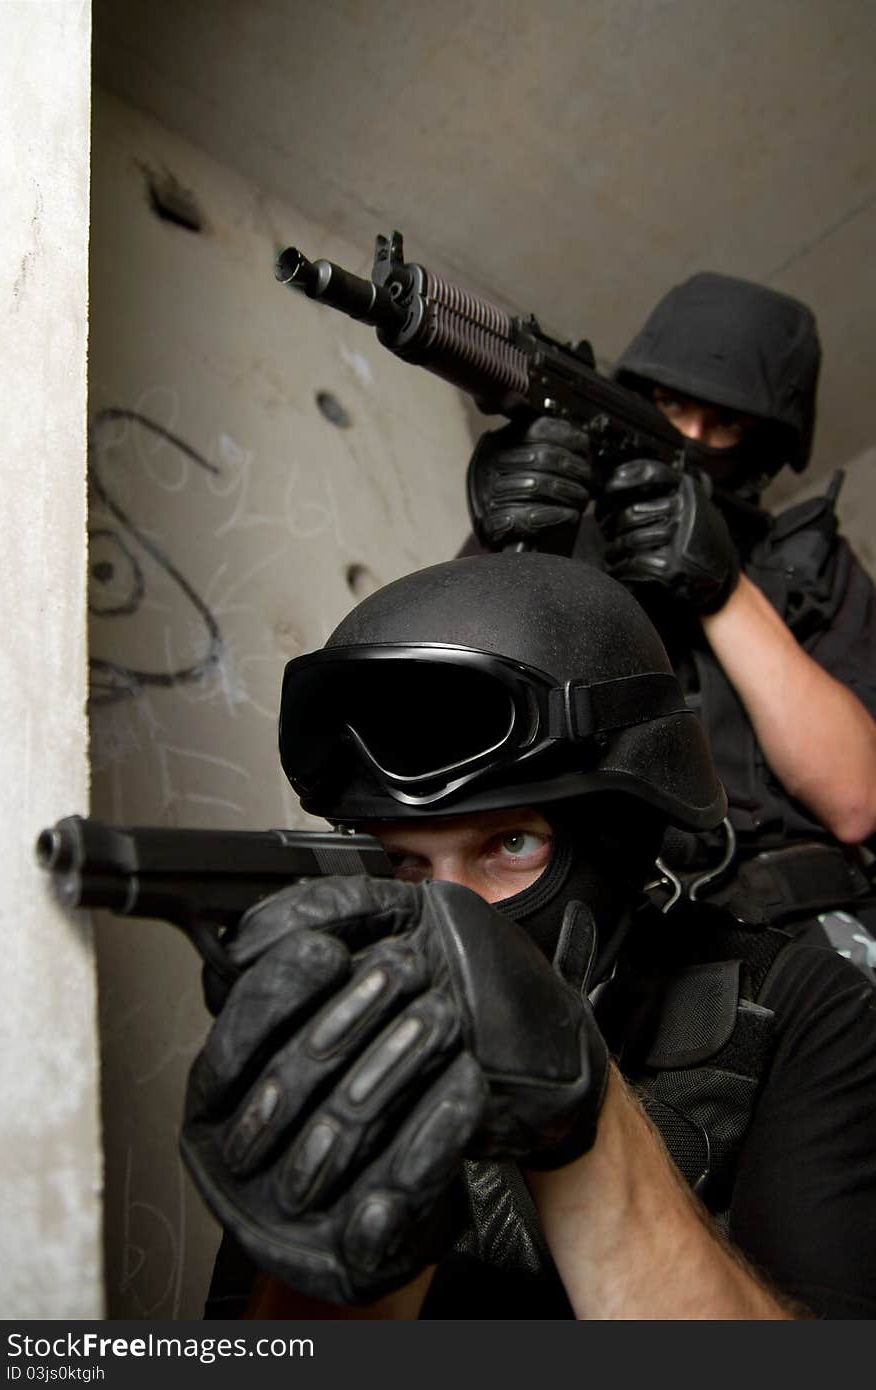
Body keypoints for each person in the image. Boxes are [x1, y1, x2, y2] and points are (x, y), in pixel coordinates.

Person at [181, 552, 876, 1320]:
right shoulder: (341, 1036)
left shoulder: (794, 1007)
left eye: (512, 845)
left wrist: (585, 1111)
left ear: (623, 838)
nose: (450, 918)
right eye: (404, 863)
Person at [464, 273, 876, 963]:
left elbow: (855, 800)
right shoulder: (565, 524)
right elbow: (453, 742)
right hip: (604, 936)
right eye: (670, 404)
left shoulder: (812, 562)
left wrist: (723, 588)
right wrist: (511, 554)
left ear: (766, 445)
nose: (689, 437)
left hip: (807, 937)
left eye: (727, 425)